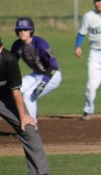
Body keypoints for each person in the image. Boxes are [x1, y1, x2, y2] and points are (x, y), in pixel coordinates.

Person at [0, 37, 49, 175]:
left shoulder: (9, 59)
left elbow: (15, 91)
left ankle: (40, 172)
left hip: (5, 98)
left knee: (28, 129)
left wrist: (23, 117)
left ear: (1, 48)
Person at [11, 17, 62, 122]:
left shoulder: (40, 43)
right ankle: (22, 120)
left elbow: (54, 65)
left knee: (29, 95)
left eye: (25, 29)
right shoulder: (17, 45)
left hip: (52, 75)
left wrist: (43, 83)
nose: (22, 32)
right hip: (37, 74)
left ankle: (32, 126)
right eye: (19, 30)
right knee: (16, 90)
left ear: (31, 30)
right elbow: (11, 64)